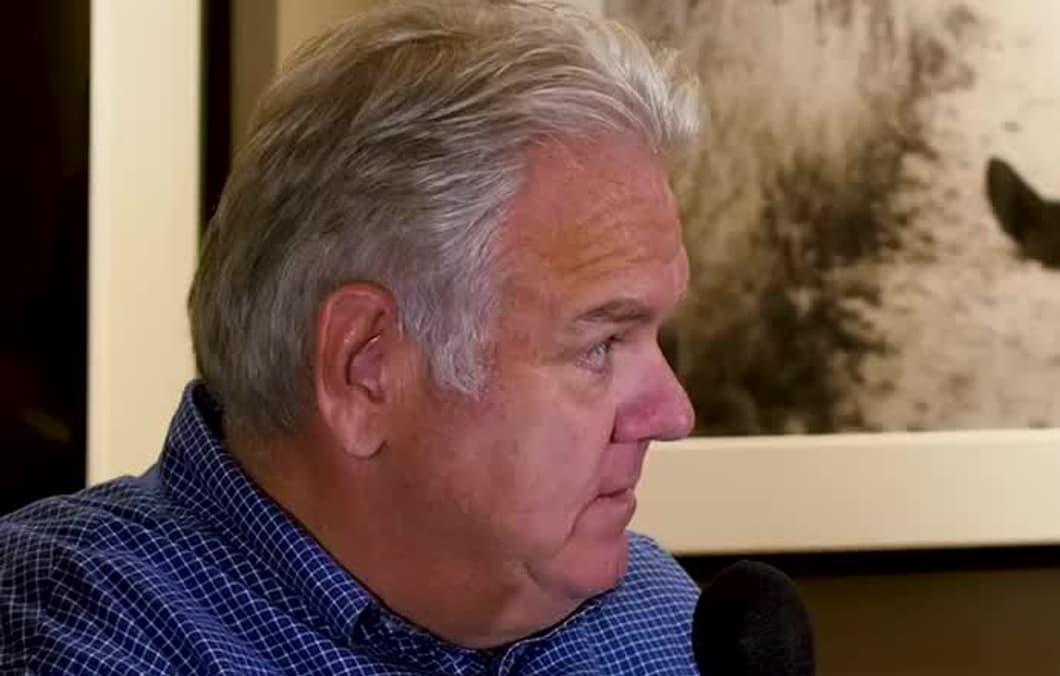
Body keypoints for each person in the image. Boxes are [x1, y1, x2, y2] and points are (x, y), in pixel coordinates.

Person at [0, 2, 707, 672]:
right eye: (601, 346)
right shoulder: (70, 637)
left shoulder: (659, 617)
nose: (674, 414)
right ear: (366, 368)